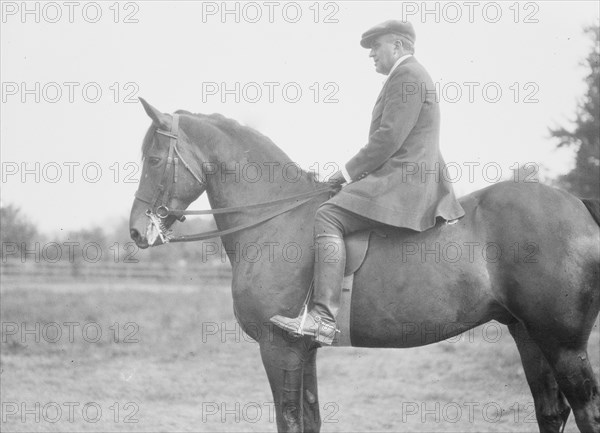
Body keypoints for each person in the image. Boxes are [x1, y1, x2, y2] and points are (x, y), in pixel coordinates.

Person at [270, 20, 465, 345]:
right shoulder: (411, 75)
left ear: (399, 46)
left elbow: (388, 139)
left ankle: (322, 318)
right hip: (407, 177)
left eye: (377, 46)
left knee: (328, 215)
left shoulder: (407, 76)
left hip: (404, 182)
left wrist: (344, 174)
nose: (372, 54)